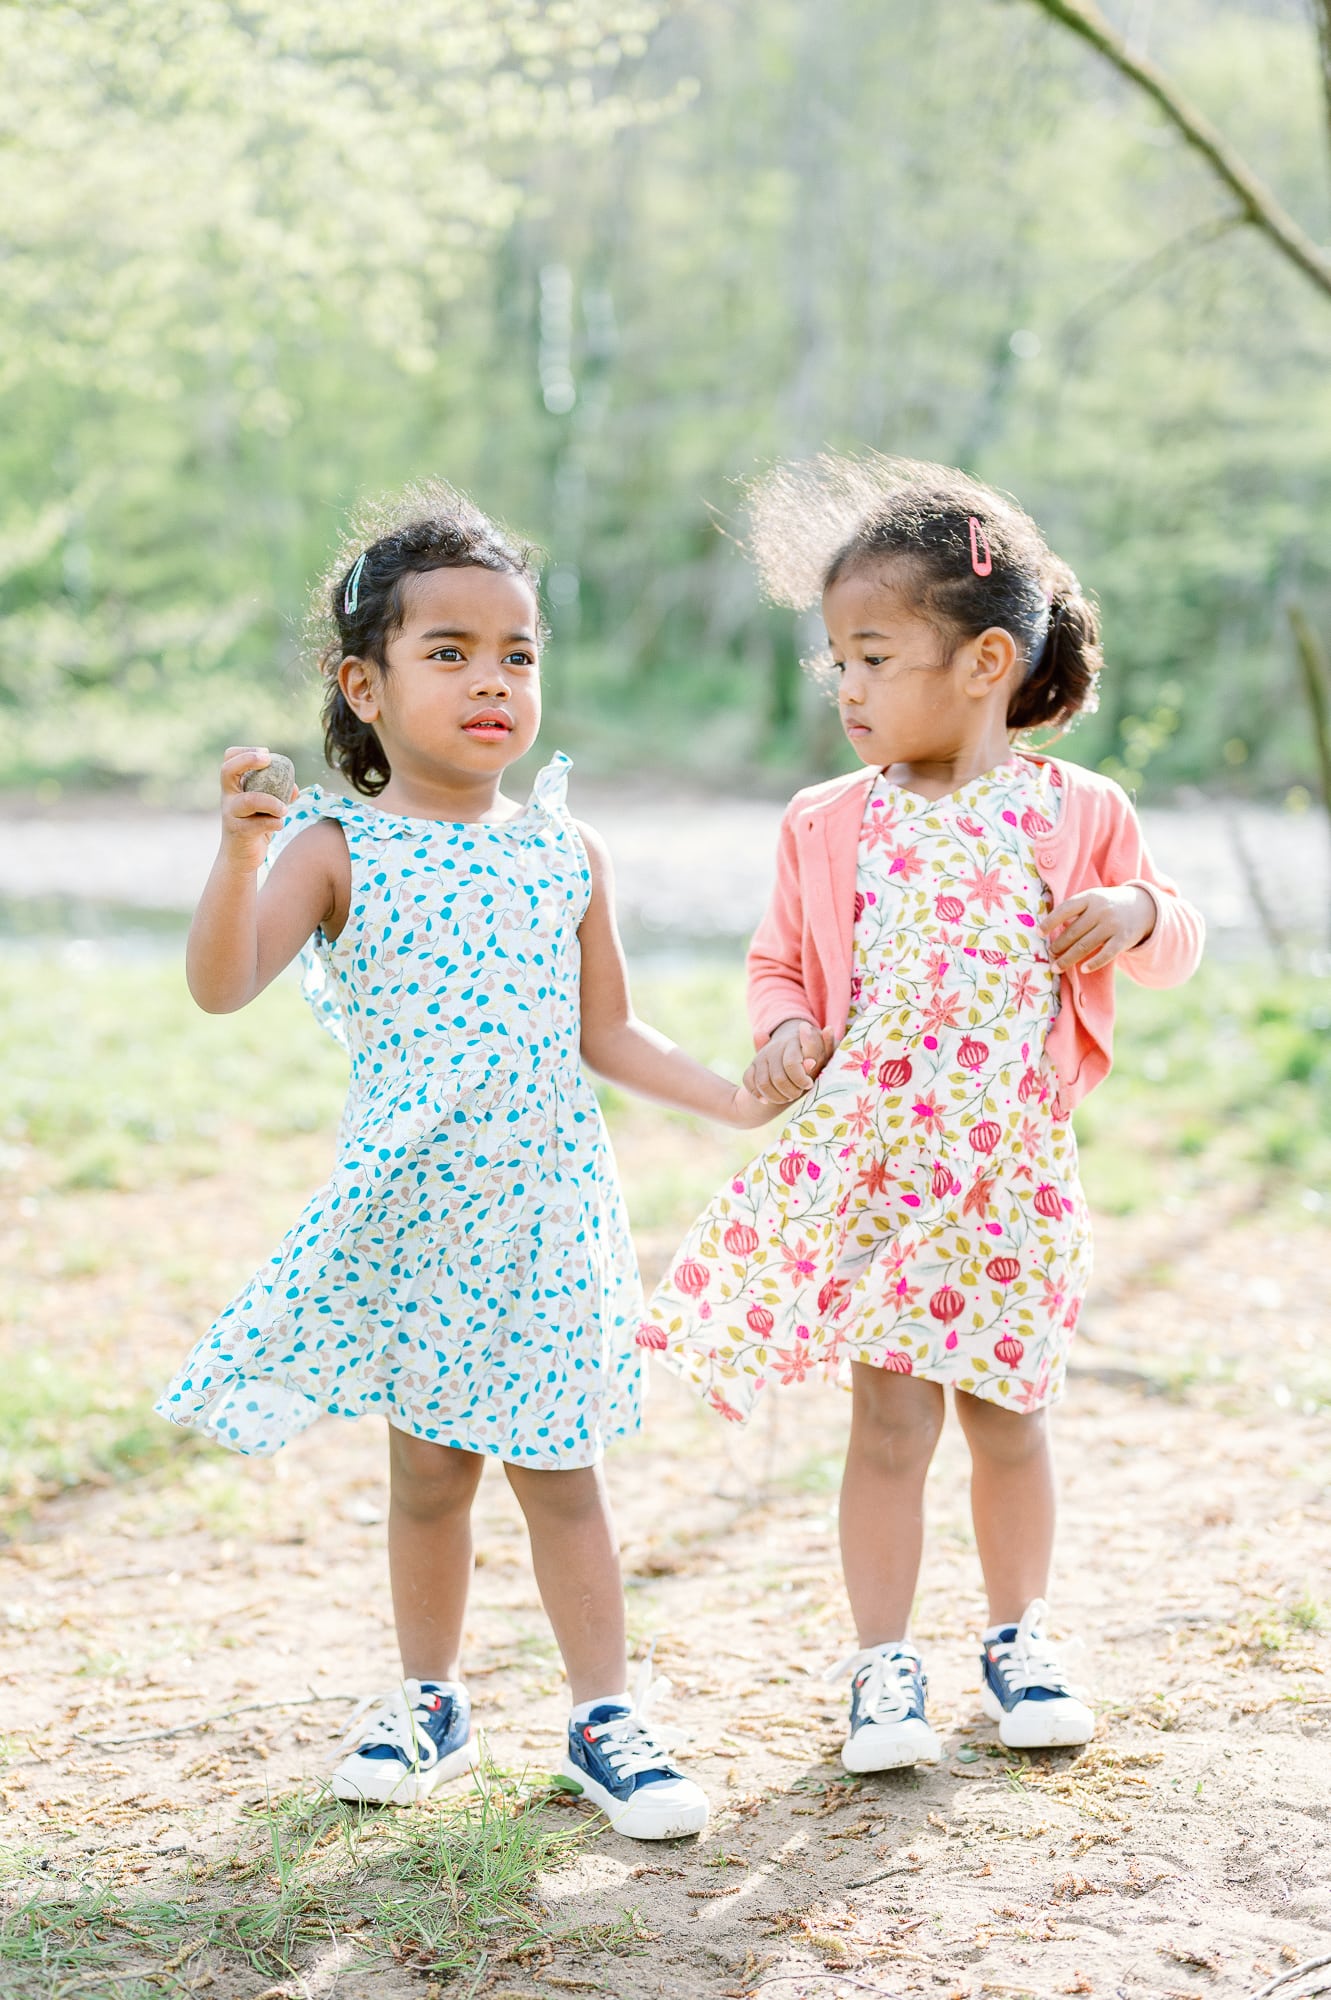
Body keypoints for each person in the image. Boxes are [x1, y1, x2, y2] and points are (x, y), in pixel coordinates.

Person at [157, 483, 770, 1837]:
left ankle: (605, 1717)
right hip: (412, 1219)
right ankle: (427, 1700)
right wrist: (238, 851)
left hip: (549, 1215)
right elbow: (221, 985)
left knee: (563, 1472)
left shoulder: (564, 849)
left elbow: (609, 1029)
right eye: (449, 654)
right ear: (362, 687)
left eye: (518, 654)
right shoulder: (337, 848)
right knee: (428, 1472)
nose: (491, 682)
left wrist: (730, 1096)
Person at [642, 455, 1204, 1770]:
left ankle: (1020, 1640)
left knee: (1011, 1415)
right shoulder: (830, 824)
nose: (844, 686)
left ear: (985, 661)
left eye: (872, 656)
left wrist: (1131, 915)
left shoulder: (1079, 815)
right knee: (887, 1422)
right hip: (881, 1176)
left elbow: (1175, 940)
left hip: (1011, 1175)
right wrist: (786, 1031)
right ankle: (882, 1666)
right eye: (832, 660)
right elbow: (779, 961)